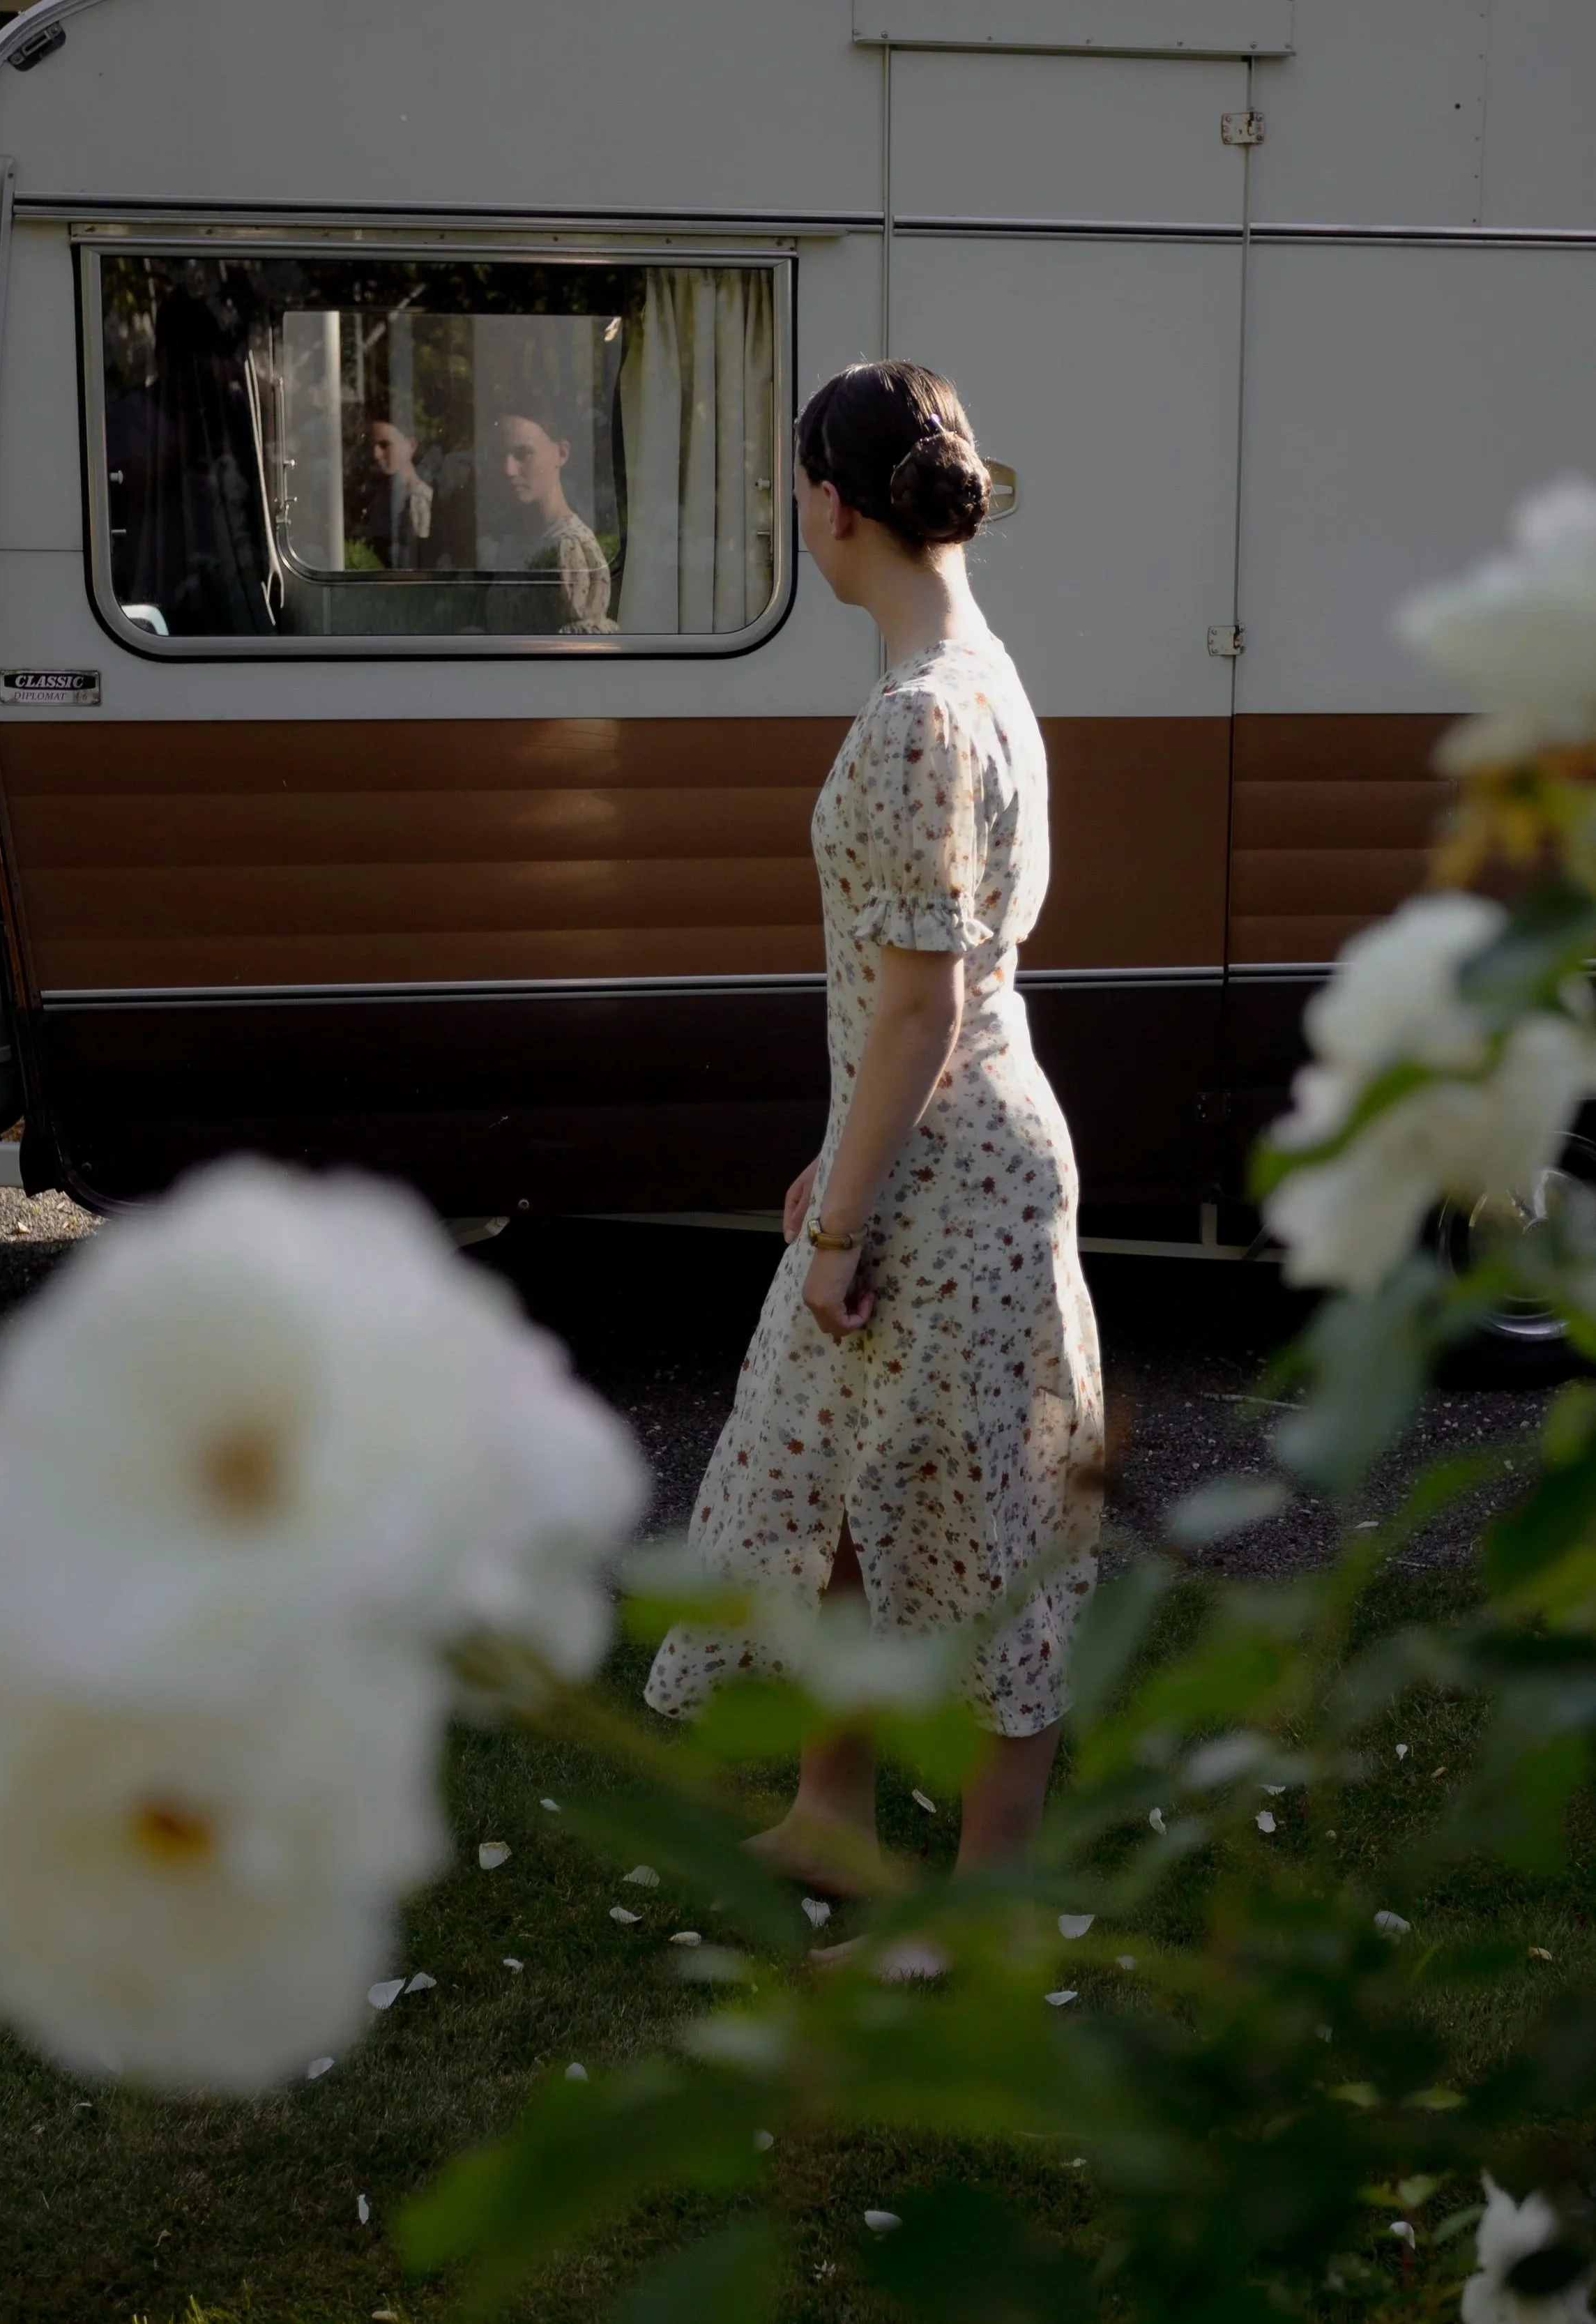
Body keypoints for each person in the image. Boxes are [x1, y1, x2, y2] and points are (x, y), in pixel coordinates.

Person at [644, 362, 1103, 1964]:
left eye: (795, 490)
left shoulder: (922, 712)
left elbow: (923, 1000)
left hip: (954, 1180)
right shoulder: (972, 670)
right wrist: (838, 1164)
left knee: (978, 1533)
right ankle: (834, 1812)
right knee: (842, 1486)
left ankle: (981, 1915)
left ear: (833, 505)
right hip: (933, 1149)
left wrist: (840, 1220)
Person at [494, 406, 617, 634]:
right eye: (501, 456)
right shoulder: (512, 544)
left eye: (524, 454)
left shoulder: (570, 546)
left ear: (561, 454)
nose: (508, 470)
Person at [363, 420, 439, 571]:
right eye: (373, 446)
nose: (376, 454)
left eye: (385, 445)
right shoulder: (376, 494)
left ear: (411, 445)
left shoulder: (418, 499)